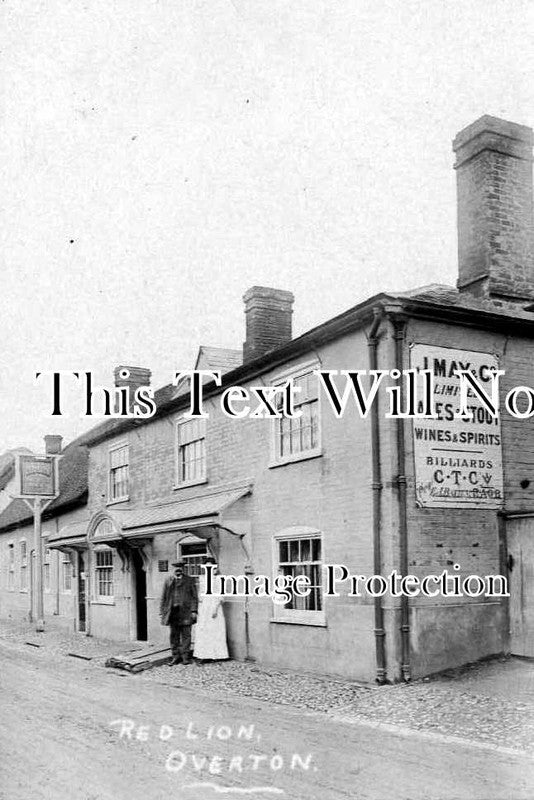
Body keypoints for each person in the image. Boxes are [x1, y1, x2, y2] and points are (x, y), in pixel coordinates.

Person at [159, 560, 198, 665]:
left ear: (183, 569)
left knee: (186, 635)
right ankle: (175, 656)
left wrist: (194, 611)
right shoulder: (168, 580)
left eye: (180, 568)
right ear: (173, 569)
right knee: (174, 636)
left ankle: (185, 657)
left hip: (186, 612)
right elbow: (163, 597)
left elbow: (194, 597)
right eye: (176, 568)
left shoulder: (190, 580)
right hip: (173, 613)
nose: (178, 570)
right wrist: (162, 611)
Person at [193, 558, 229, 661]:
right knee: (204, 629)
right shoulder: (202, 578)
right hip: (204, 606)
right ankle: (204, 654)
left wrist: (215, 608)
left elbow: (221, 595)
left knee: (215, 629)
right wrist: (200, 605)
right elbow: (200, 593)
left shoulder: (218, 579)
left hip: (214, 605)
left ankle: (217, 654)